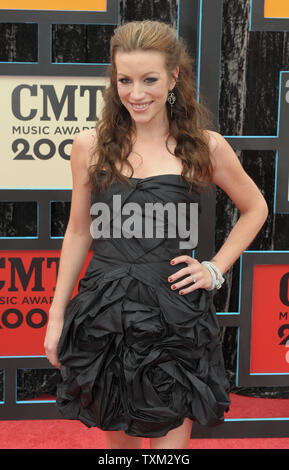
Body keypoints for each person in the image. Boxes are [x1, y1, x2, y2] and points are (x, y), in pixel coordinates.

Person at [44, 20, 268, 450]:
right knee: (119, 449)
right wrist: (57, 317)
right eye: (125, 80)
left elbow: (255, 208)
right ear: (114, 80)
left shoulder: (206, 146)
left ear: (174, 77)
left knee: (170, 448)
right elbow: (77, 232)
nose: (137, 93)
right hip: (104, 314)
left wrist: (215, 269)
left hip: (174, 315)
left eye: (149, 79)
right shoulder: (88, 146)